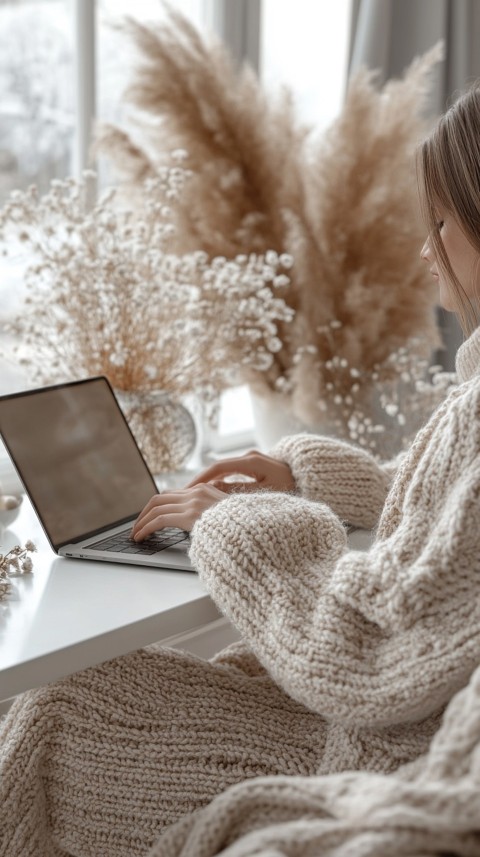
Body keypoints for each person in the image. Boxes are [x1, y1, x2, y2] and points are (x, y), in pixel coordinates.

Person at [2, 82, 480, 857]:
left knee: (54, 705)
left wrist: (232, 520)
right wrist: (299, 473)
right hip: (379, 732)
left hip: (367, 754)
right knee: (69, 692)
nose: (426, 251)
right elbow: (443, 522)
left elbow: (370, 654)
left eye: (441, 222)